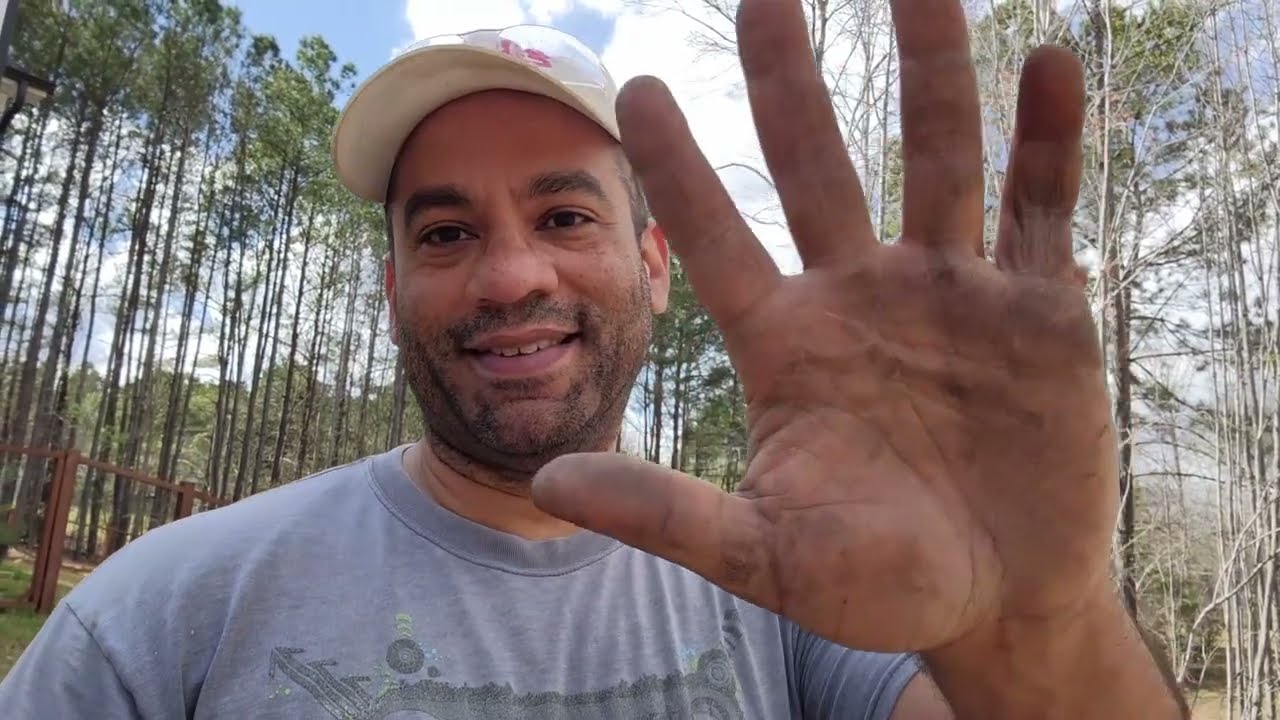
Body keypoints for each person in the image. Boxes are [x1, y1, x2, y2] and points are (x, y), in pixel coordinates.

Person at [0, 1, 1189, 718]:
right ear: (392, 287)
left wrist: (1036, 630)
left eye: (565, 217)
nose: (511, 277)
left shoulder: (802, 601)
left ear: (656, 264)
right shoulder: (163, 617)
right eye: (448, 232)